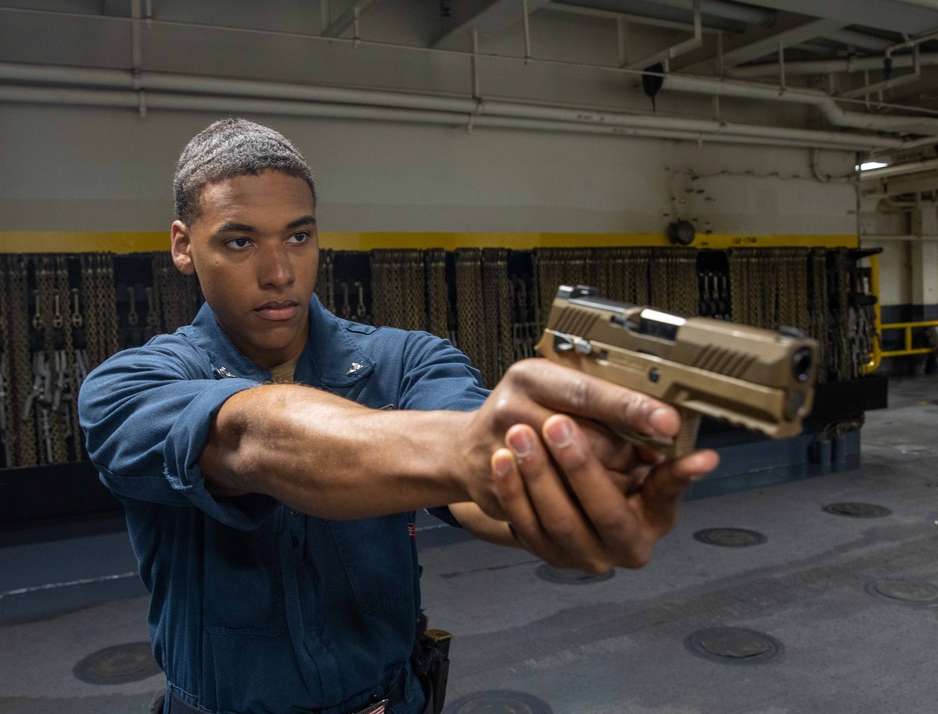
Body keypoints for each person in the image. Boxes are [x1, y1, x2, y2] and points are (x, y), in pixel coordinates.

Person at [78, 117, 718, 714]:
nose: (279, 273)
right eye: (239, 241)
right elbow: (250, 439)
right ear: (183, 247)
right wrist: (466, 449)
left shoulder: (409, 360)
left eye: (299, 236)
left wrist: (555, 492)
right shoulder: (129, 387)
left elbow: (477, 490)